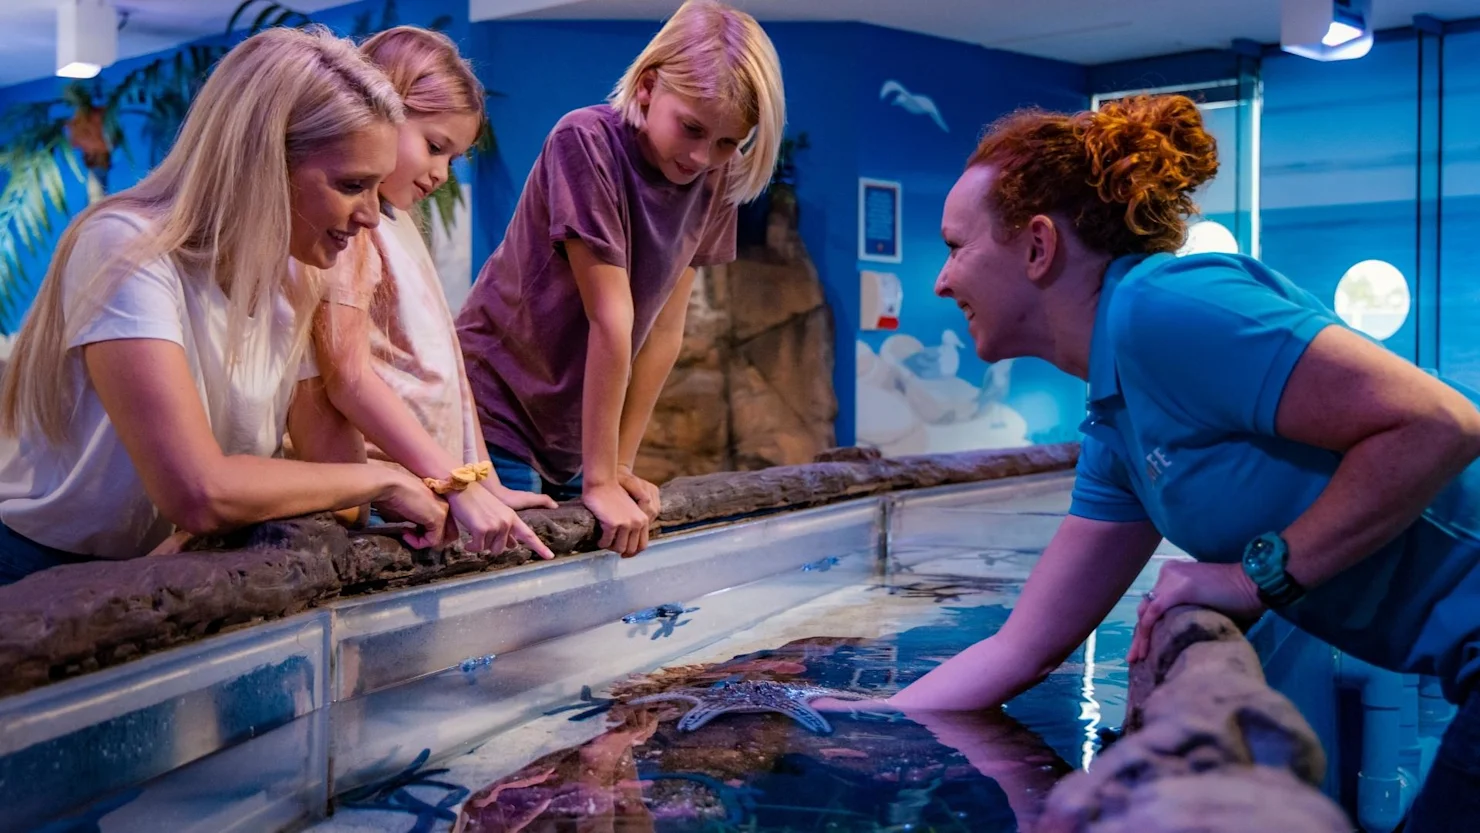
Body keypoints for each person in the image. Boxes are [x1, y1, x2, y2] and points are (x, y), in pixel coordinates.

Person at [818, 95, 1480, 829]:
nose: (941, 282)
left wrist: (1254, 573)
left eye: (954, 246)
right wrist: (850, 717)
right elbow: (1022, 646)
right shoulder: (1115, 415)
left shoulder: (1165, 307)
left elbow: (1440, 422)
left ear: (1038, 247)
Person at [0, 25, 449, 585]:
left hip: (171, 568)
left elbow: (335, 485)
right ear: (262, 161)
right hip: (40, 573)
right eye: (352, 184)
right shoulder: (125, 246)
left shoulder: (298, 274)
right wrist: (386, 481)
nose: (368, 216)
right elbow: (199, 490)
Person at [455, 0, 785, 558]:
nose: (704, 156)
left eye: (729, 142)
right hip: (496, 407)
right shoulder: (585, 141)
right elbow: (611, 315)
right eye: (692, 128)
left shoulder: (714, 177)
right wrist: (601, 481)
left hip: (572, 435)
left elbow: (663, 331)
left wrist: (617, 464)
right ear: (651, 86)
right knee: (509, 589)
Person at [306, 26, 555, 560]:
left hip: (435, 489)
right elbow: (347, 377)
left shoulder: (397, 224)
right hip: (386, 497)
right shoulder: (349, 230)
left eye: (454, 159)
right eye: (434, 147)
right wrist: (457, 487)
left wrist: (482, 480)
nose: (441, 174)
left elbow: (450, 379)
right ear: (381, 111)